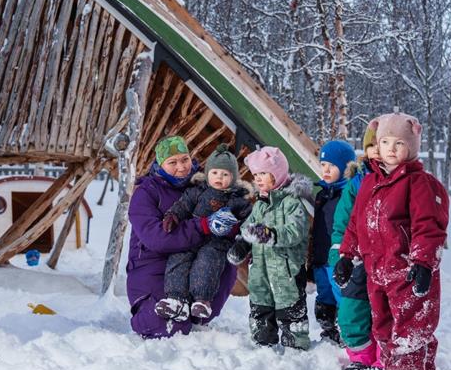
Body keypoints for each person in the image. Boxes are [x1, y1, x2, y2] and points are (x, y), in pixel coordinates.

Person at [335, 112, 448, 370]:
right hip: (377, 271)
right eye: (385, 142)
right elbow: (356, 223)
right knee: (383, 325)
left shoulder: (418, 183)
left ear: (411, 146)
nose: (391, 148)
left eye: (399, 143)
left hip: (408, 271)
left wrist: (423, 263)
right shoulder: (369, 182)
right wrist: (346, 255)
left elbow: (428, 226)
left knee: (411, 327)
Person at [126, 136, 239, 338]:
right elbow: (158, 239)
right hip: (153, 265)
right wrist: (204, 225)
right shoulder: (146, 193)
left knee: (225, 258)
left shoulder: (206, 184)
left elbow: (233, 213)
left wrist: (232, 228)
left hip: (195, 261)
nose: (181, 167)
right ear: (160, 164)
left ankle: (197, 314)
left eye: (185, 159)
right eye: (172, 162)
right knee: (167, 325)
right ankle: (147, 319)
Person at [155, 144, 255, 321]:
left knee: (208, 263)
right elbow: (183, 205)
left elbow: (248, 221)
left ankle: (202, 300)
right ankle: (176, 299)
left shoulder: (238, 200)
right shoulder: (197, 191)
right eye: (215, 173)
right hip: (193, 237)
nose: (219, 177)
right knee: (178, 258)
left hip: (217, 243)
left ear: (233, 178)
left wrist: (242, 238)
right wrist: (173, 216)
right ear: (208, 174)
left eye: (225, 174)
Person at [240, 146, 314, 350]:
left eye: (263, 173)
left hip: (286, 269)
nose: (258, 179)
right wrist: (242, 242)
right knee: (260, 302)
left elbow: (295, 230)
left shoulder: (292, 202)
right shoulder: (260, 204)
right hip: (261, 268)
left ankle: (295, 342)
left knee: (289, 304)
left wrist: (271, 234)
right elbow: (248, 226)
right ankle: (263, 338)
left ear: (277, 173)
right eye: (255, 175)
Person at [330, 125, 381, 370]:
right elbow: (342, 223)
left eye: (381, 145)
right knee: (351, 310)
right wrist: (339, 255)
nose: (377, 151)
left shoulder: (401, 181)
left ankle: (384, 358)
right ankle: (361, 356)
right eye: (371, 146)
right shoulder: (356, 183)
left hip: (386, 259)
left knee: (383, 311)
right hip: (357, 257)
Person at [310, 139, 355, 344]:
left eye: (332, 166)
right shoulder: (322, 194)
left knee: (342, 296)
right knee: (324, 295)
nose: (326, 170)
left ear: (345, 168)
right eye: (323, 165)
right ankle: (328, 331)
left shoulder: (348, 195)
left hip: (338, 257)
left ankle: (348, 335)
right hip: (321, 256)